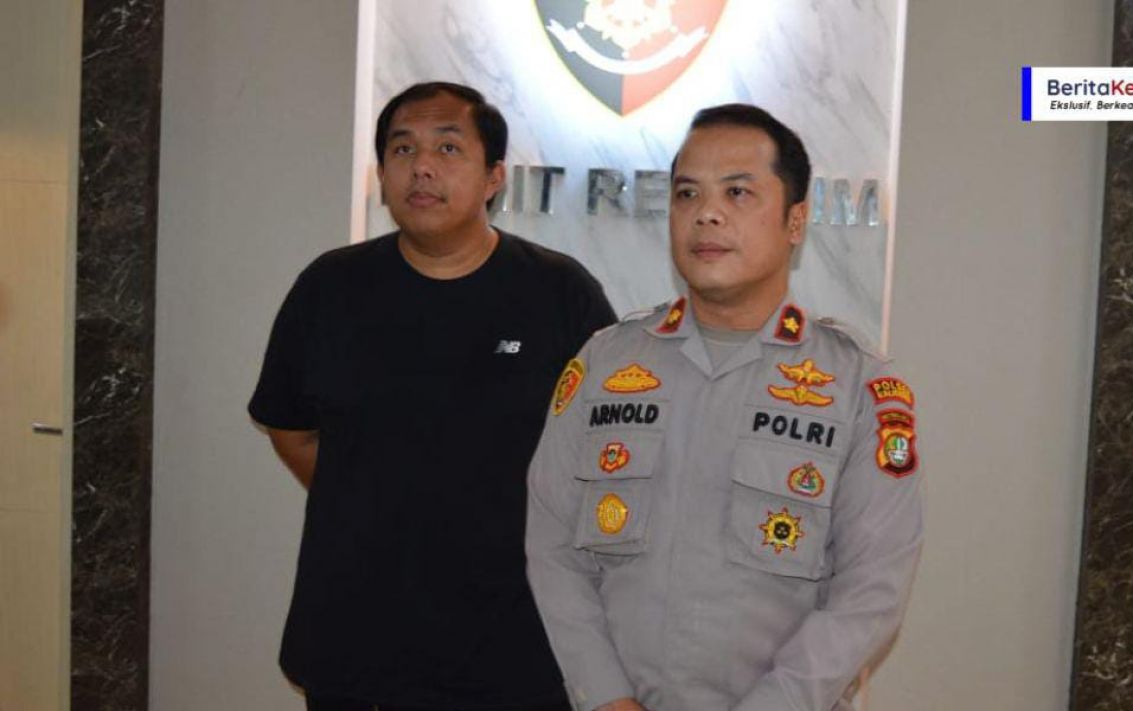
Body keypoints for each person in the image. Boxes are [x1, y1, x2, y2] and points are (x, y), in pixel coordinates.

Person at [525, 104, 923, 711]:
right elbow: (553, 546)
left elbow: (871, 590)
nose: (706, 213)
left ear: (795, 220)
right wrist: (606, 696)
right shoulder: (605, 364)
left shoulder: (859, 384)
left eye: (737, 192)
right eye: (688, 193)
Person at [249, 81, 616, 711]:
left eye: (448, 148)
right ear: (382, 173)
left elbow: (605, 448)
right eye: (402, 149)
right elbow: (291, 429)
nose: (421, 167)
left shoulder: (558, 293)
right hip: (355, 639)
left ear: (494, 176)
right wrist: (374, 500)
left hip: (516, 644)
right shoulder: (329, 289)